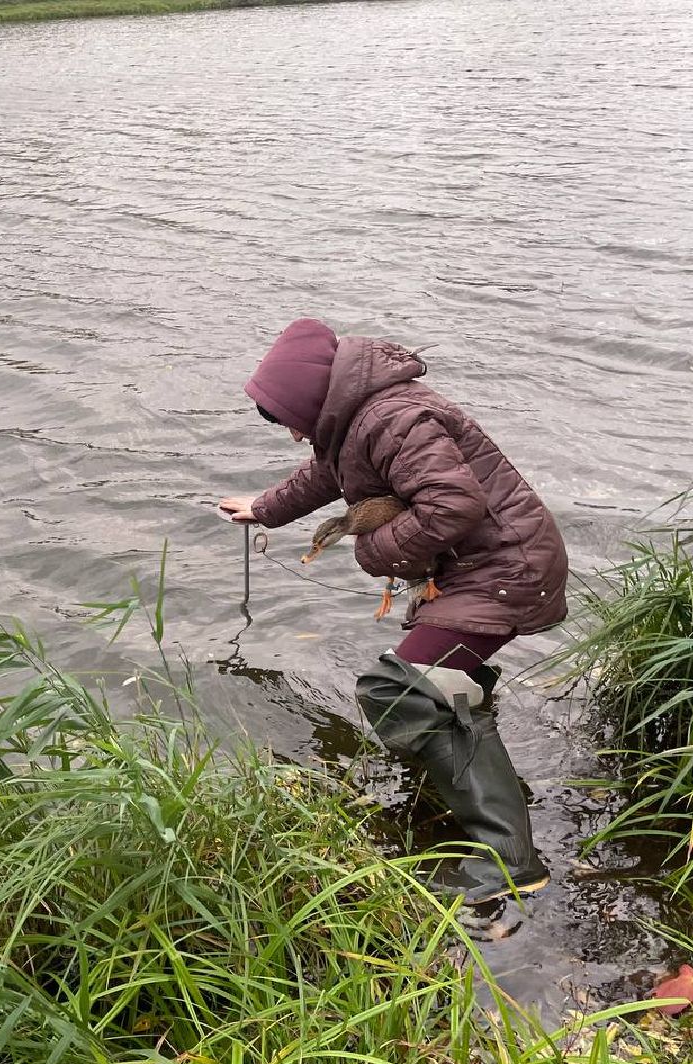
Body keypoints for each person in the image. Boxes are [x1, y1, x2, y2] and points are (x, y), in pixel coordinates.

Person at [219, 318, 568, 905]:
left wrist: (372, 551)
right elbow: (326, 476)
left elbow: (454, 504)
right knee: (442, 681)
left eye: (292, 426)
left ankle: (511, 860)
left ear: (311, 402)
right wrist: (265, 509)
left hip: (506, 571)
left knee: (396, 689)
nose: (295, 438)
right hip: (487, 567)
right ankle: (476, 771)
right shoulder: (358, 419)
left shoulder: (390, 417)